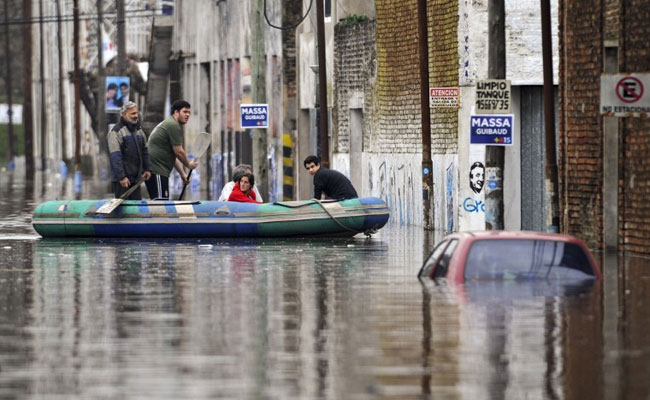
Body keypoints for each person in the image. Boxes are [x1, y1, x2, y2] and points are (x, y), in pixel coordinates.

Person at [146, 100, 198, 200]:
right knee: (161, 204)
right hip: (157, 171)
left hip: (157, 171)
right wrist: (188, 164)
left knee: (161, 201)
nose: (187, 115)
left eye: (189, 112)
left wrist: (183, 174)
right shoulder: (173, 125)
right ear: (176, 112)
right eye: (185, 112)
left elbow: (173, 156)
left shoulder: (170, 123)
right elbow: (179, 151)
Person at [107, 101, 151, 199]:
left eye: (136, 113)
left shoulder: (138, 130)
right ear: (124, 115)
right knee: (123, 210)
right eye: (133, 113)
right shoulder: (116, 132)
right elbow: (115, 157)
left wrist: (147, 168)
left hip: (136, 179)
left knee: (136, 208)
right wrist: (122, 177)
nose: (136, 116)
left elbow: (145, 151)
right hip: (122, 181)